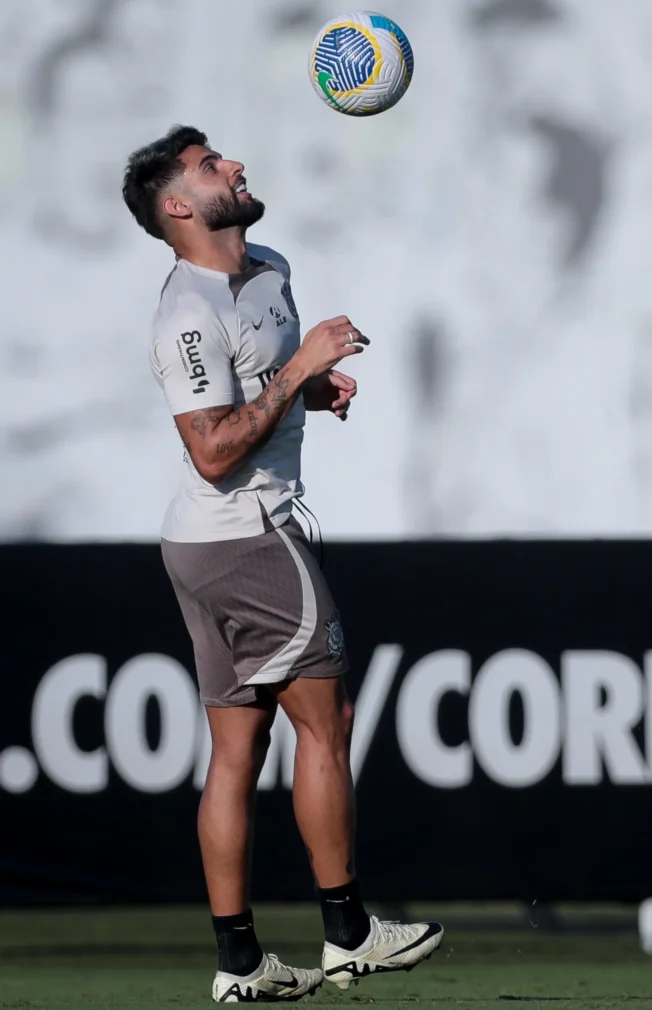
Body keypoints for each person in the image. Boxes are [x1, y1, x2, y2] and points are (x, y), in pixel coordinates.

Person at [121, 125, 444, 1004]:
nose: (236, 164)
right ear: (180, 206)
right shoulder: (187, 312)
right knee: (327, 720)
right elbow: (214, 453)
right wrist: (301, 363)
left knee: (239, 748)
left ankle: (240, 964)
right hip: (244, 534)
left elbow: (249, 394)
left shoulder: (268, 265)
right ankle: (349, 933)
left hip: (209, 544)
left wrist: (306, 387)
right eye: (211, 164)